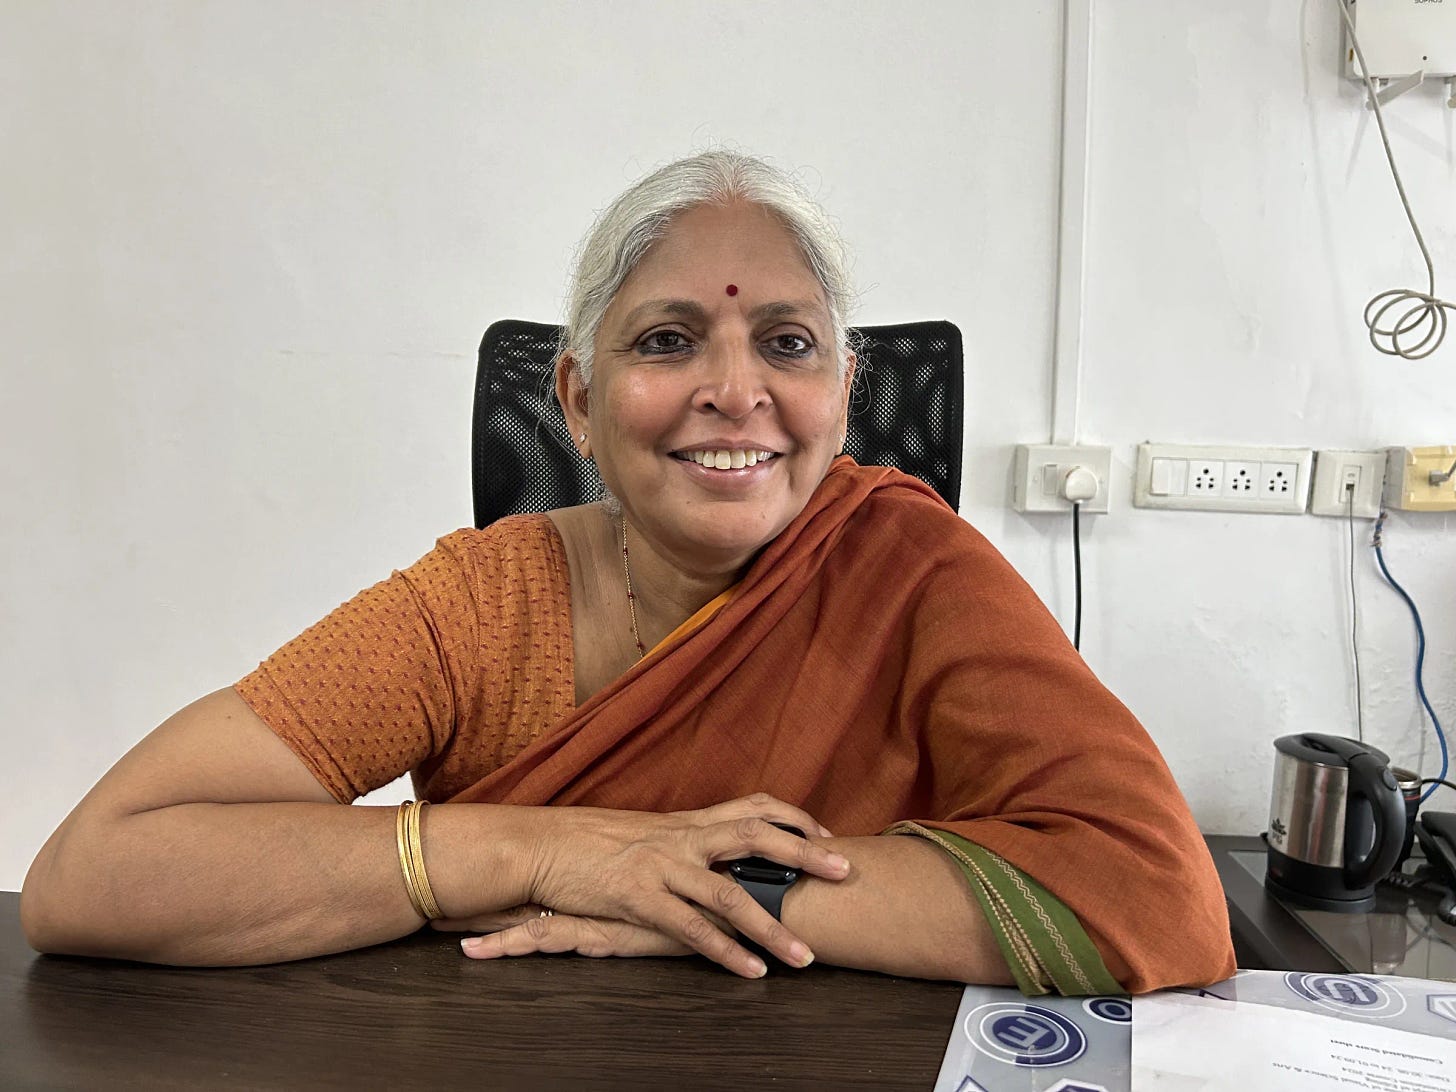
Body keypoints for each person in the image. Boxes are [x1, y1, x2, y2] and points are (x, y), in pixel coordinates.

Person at [21, 151, 1234, 994]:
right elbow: (95, 877)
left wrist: (712, 893)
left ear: (844, 396)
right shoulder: (477, 607)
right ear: (578, 402)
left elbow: (1160, 901)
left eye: (788, 344)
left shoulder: (918, 572)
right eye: (666, 341)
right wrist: (543, 852)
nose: (734, 390)